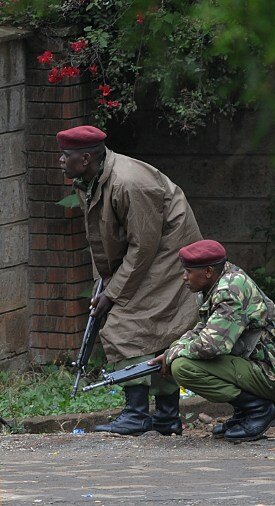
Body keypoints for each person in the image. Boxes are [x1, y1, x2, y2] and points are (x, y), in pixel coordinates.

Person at [57, 125, 202, 436]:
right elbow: (105, 238)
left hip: (166, 253)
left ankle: (137, 415)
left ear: (85, 158)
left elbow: (143, 245)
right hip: (146, 253)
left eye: (65, 155)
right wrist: (105, 280)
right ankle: (165, 418)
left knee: (125, 323)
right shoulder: (91, 180)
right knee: (156, 329)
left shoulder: (130, 184)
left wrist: (113, 292)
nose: (60, 161)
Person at [149, 240, 275, 442]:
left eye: (188, 271)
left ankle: (259, 410)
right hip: (264, 364)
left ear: (207, 271)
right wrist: (174, 348)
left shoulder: (229, 291)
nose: (184, 277)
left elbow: (212, 345)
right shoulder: (219, 280)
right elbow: (204, 328)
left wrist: (174, 355)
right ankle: (246, 411)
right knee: (180, 358)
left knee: (183, 367)